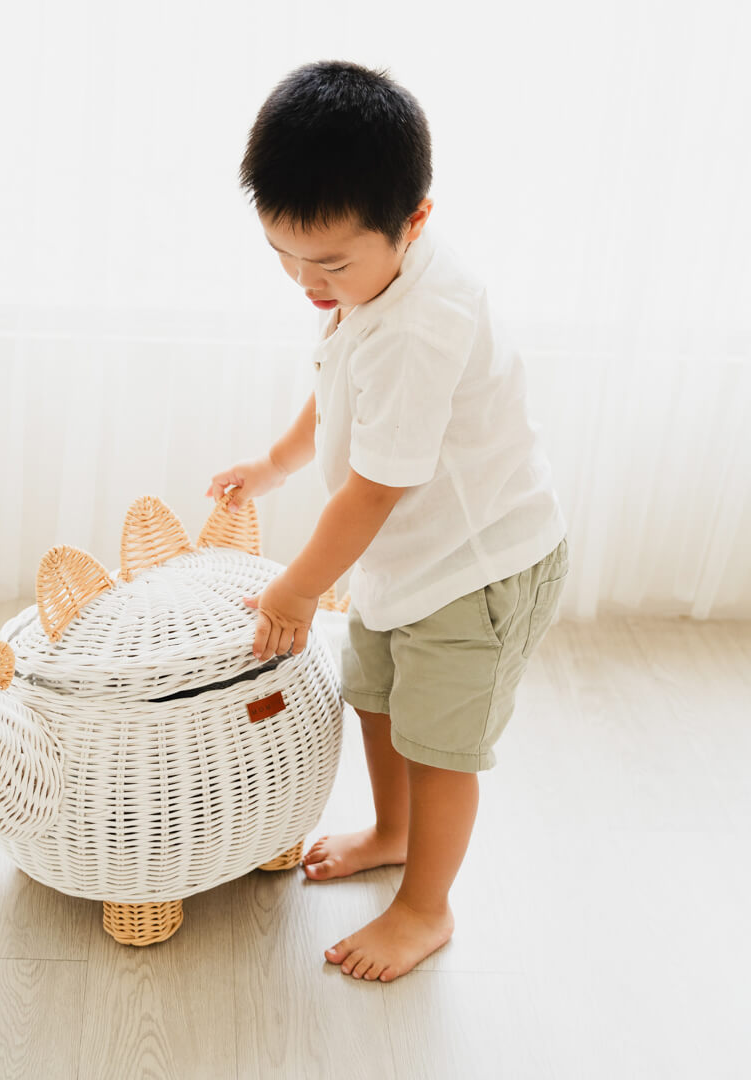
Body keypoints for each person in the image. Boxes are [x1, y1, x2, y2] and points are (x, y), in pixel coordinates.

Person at [206, 59, 569, 983]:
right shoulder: (363, 288)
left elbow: (373, 489)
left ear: (415, 222)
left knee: (441, 744)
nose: (304, 282)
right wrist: (276, 464)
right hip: (401, 558)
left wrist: (294, 588)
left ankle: (426, 908)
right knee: (378, 698)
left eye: (327, 263)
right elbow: (336, 390)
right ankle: (393, 832)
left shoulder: (421, 322)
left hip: (475, 569)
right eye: (283, 255)